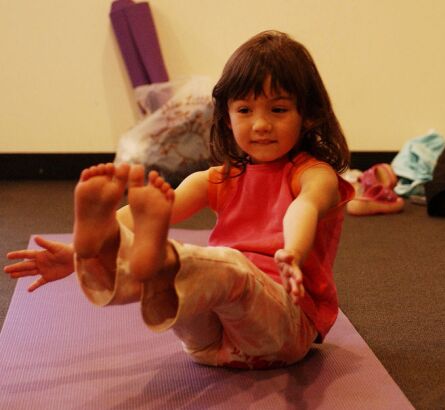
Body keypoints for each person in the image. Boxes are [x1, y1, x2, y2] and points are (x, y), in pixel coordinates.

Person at [4, 30, 353, 369]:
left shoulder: (312, 174)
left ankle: (161, 262)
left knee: (224, 268)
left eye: (277, 110)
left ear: (307, 116)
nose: (260, 124)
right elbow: (149, 212)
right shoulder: (220, 178)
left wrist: (293, 251)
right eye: (245, 110)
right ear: (227, 118)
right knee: (184, 269)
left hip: (284, 330)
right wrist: (80, 254)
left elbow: (304, 206)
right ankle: (134, 263)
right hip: (207, 345)